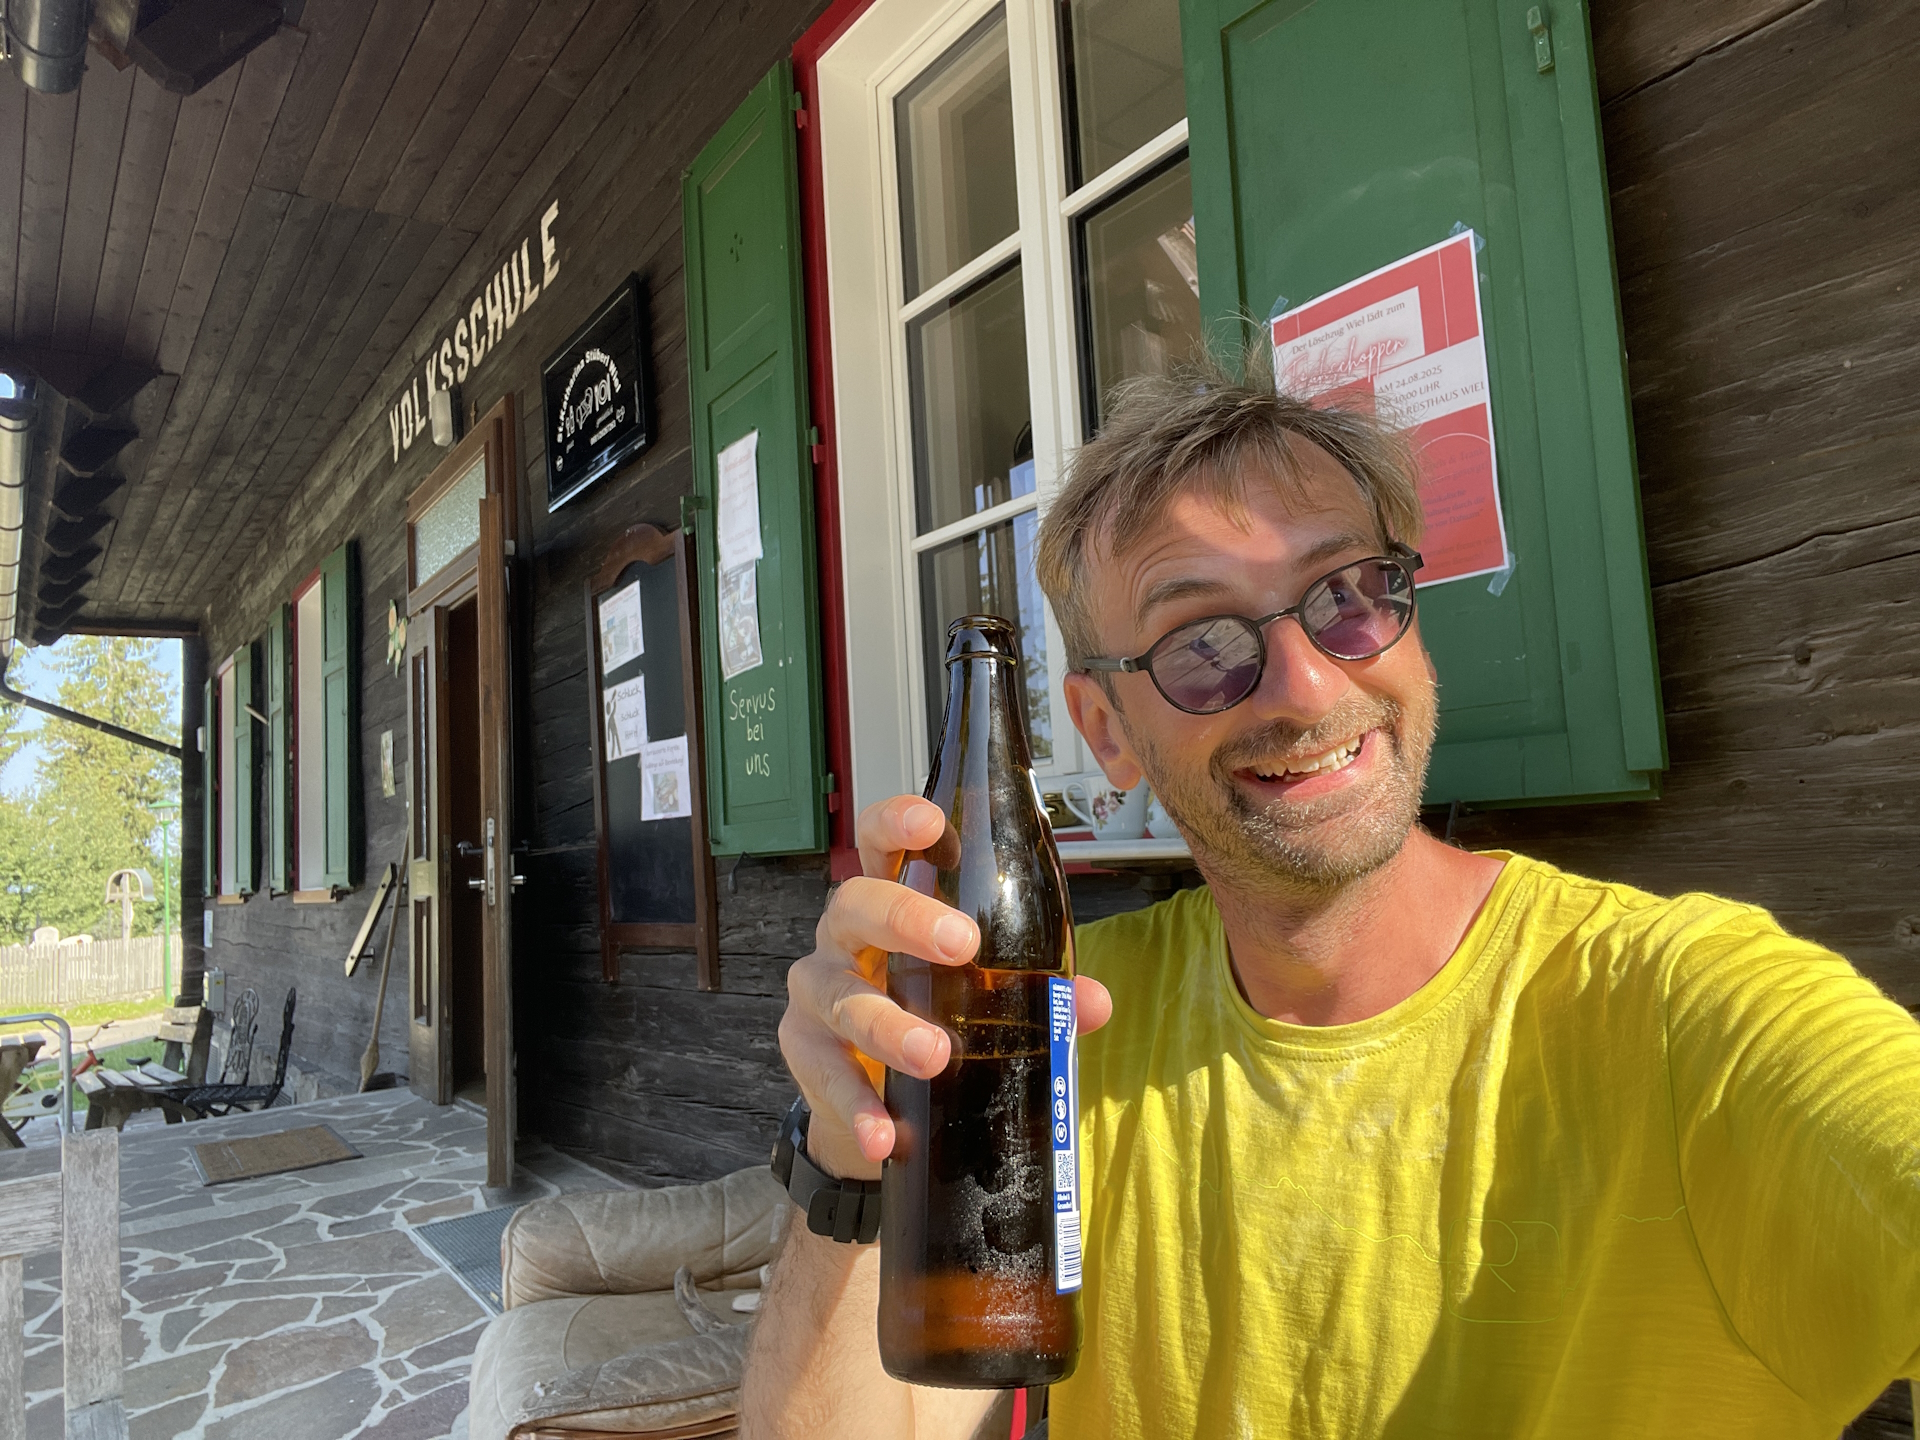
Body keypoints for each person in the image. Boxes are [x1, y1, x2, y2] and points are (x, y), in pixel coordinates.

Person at [741, 361, 1920, 1439]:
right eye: (1202, 643)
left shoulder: (1685, 1008)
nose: (1307, 686)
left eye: (1349, 594)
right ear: (1105, 729)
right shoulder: (1066, 1029)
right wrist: (854, 1163)